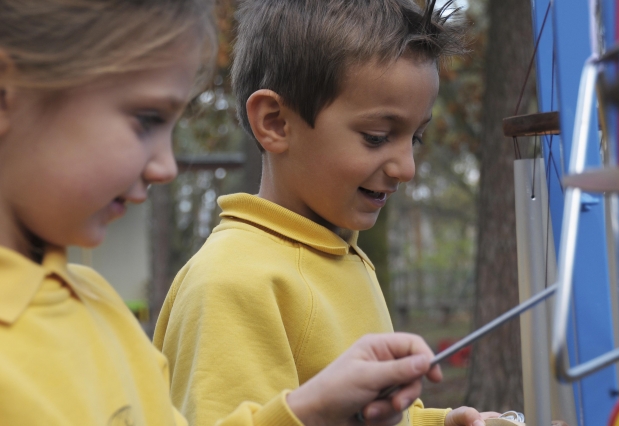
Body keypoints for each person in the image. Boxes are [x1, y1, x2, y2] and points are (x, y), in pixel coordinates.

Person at [0, 1, 465, 425]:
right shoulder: (228, 281)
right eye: (146, 120)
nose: (165, 166)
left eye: (416, 138)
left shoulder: (97, 305)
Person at [154, 1, 500, 425]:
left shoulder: (340, 257)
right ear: (276, 123)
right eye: (377, 137)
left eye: (417, 138)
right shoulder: (232, 282)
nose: (406, 168)